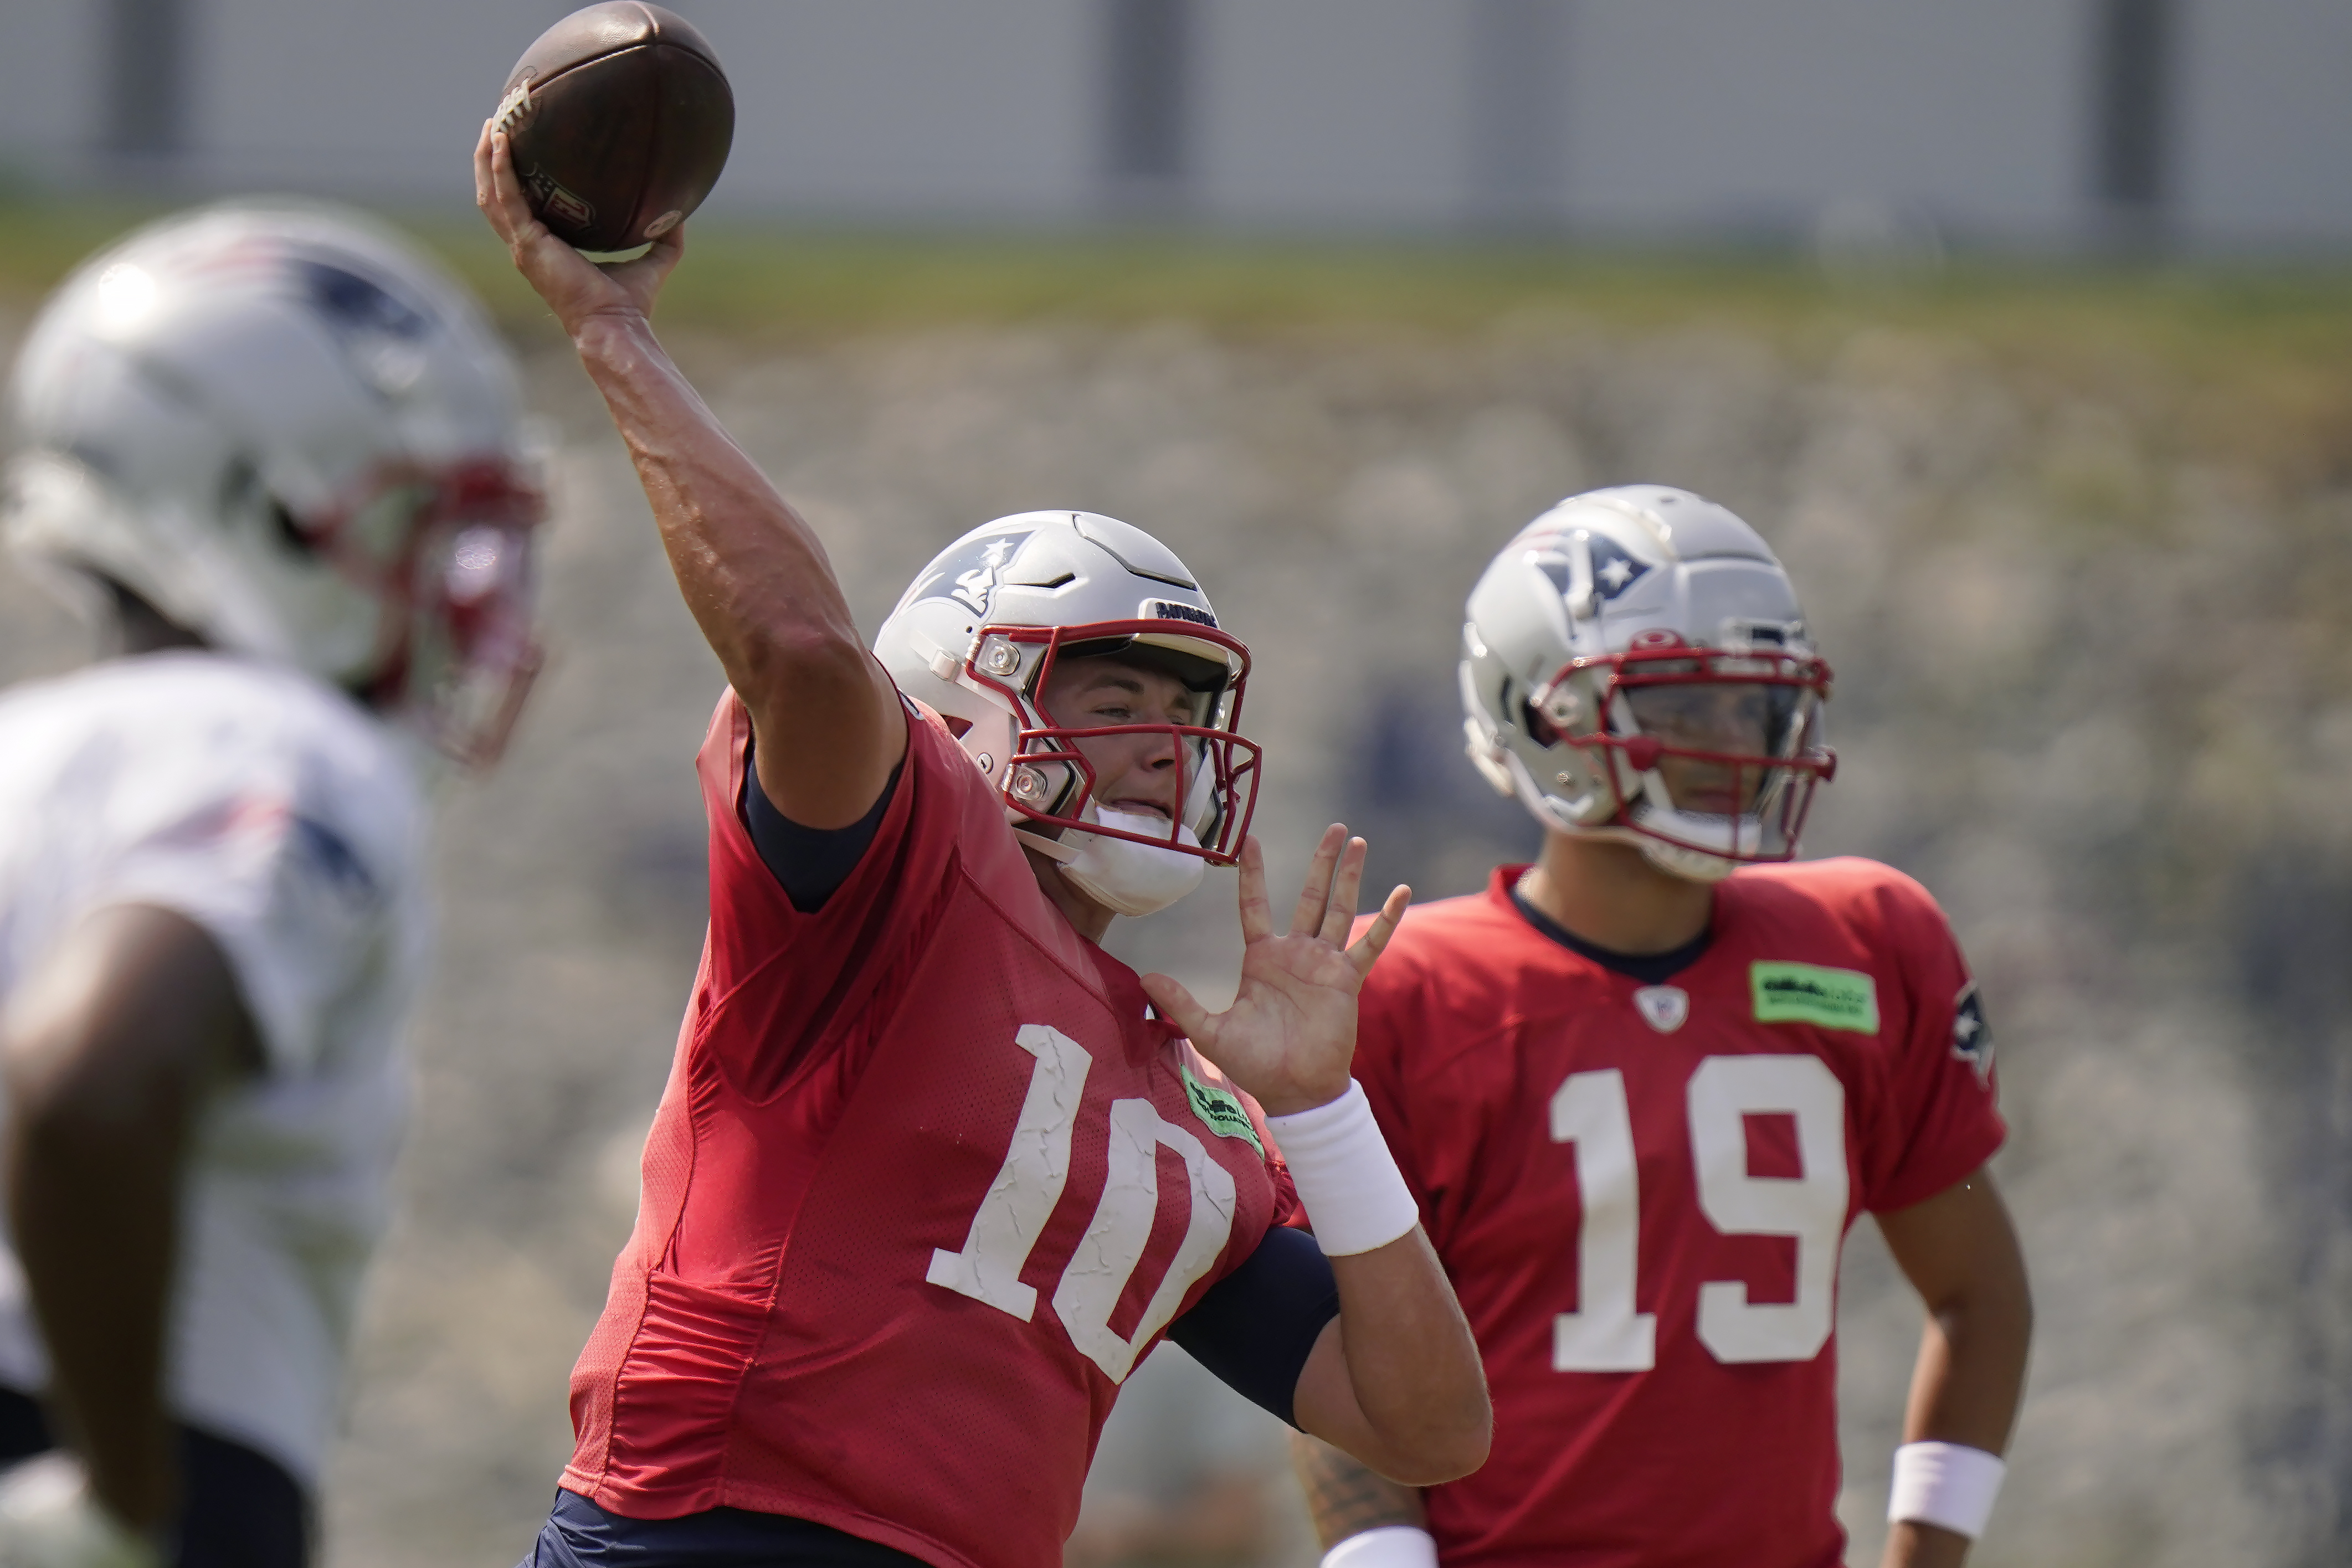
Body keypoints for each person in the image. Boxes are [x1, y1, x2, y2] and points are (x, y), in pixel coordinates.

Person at [474, 125, 1489, 1568]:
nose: (1157, 741)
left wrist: (1321, 1117)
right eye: (1111, 696)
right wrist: (611, 329)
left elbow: (1428, 1427)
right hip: (708, 1536)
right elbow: (804, 651)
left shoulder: (1192, 1099)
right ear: (957, 704)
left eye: (1179, 714)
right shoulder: (895, 873)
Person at [1290, 486, 2032, 1568]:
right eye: (1681, 703)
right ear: (1539, 714)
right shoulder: (1396, 989)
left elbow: (1978, 1297)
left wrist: (1929, 1554)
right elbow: (1334, 1352)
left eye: (1750, 703)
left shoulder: (1866, 945)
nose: (1729, 739)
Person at [0, 203, 547, 1567]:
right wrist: (127, 1502)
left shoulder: (29, 749)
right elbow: (86, 1078)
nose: (453, 591)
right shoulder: (278, 743)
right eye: (416, 522)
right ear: (261, 507)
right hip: (114, 1453)